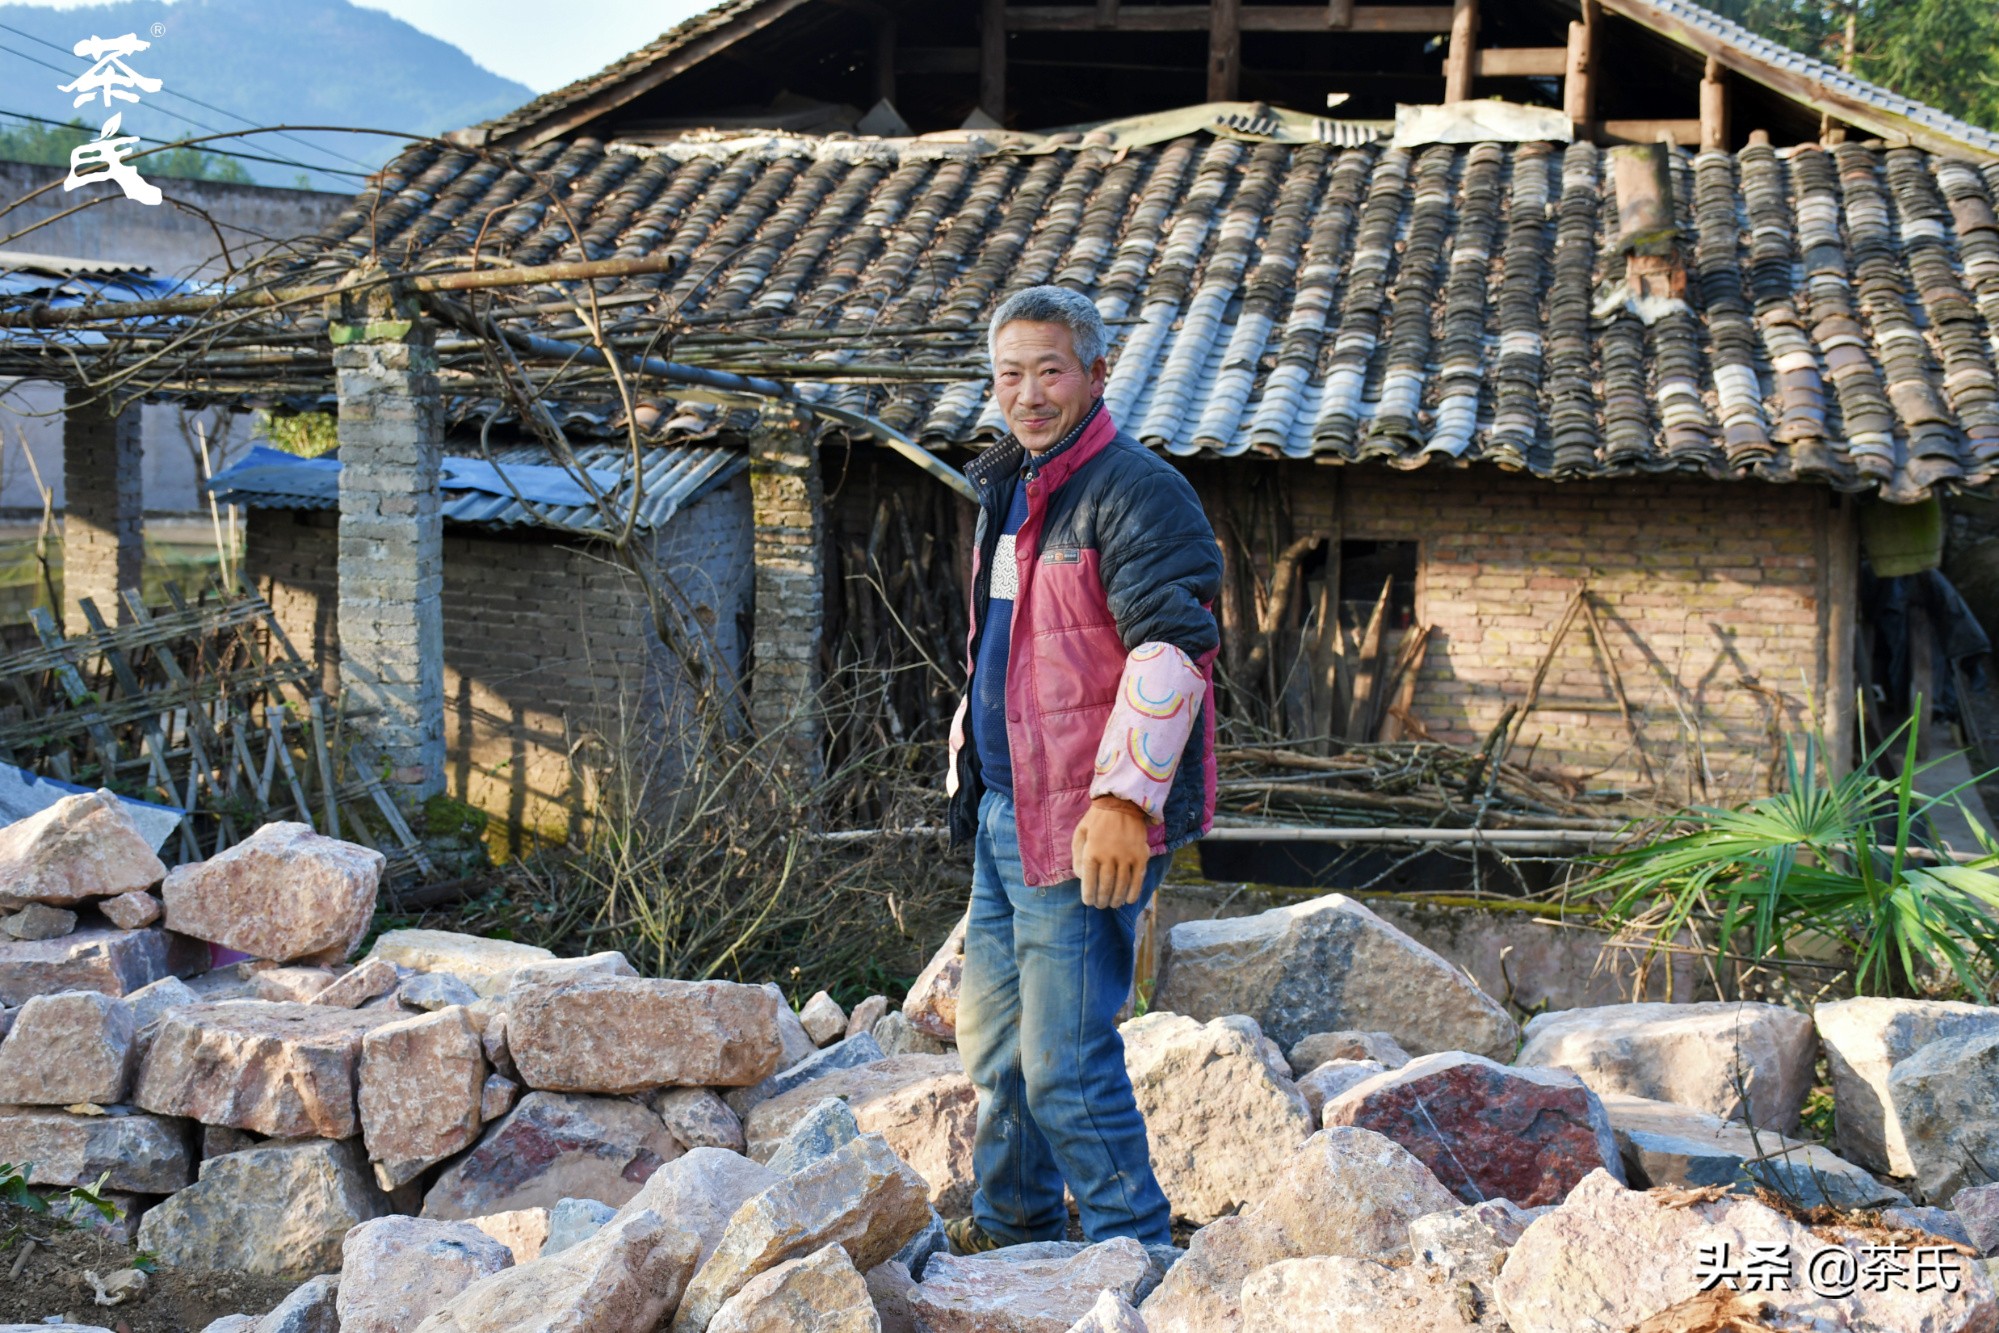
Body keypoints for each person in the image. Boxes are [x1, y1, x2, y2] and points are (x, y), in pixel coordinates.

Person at [944, 284, 1223, 1252]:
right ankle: (1012, 1239)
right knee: (994, 1050)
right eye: (1010, 373)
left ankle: (1133, 1252)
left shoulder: (1138, 489)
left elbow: (1173, 648)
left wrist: (1120, 800)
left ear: (1097, 374)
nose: (1028, 393)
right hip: (1000, 810)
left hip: (1081, 818)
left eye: (1049, 370)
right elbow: (1004, 648)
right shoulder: (1008, 486)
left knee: (1064, 1058)